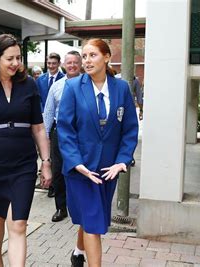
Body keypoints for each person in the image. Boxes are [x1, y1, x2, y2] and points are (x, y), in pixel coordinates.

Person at [0, 34, 52, 266]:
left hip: (23, 164)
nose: (15, 63)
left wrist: (46, 162)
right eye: (10, 58)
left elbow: (38, 127)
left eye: (18, 58)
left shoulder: (29, 85)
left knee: (19, 224)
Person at [57, 38, 138, 267]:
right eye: (84, 56)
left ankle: (77, 252)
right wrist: (76, 163)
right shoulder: (73, 87)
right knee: (94, 223)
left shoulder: (121, 88)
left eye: (92, 55)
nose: (86, 61)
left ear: (106, 57)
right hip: (80, 170)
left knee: (92, 215)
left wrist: (122, 161)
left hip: (107, 170)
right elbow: (65, 129)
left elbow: (130, 128)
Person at [42, 50, 82, 223]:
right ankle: (61, 207)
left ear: (80, 64)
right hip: (60, 133)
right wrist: (45, 137)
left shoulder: (87, 85)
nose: (72, 65)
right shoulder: (57, 86)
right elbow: (49, 112)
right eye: (69, 62)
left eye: (75, 62)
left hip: (81, 134)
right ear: (64, 65)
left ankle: (79, 207)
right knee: (58, 171)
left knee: (77, 170)